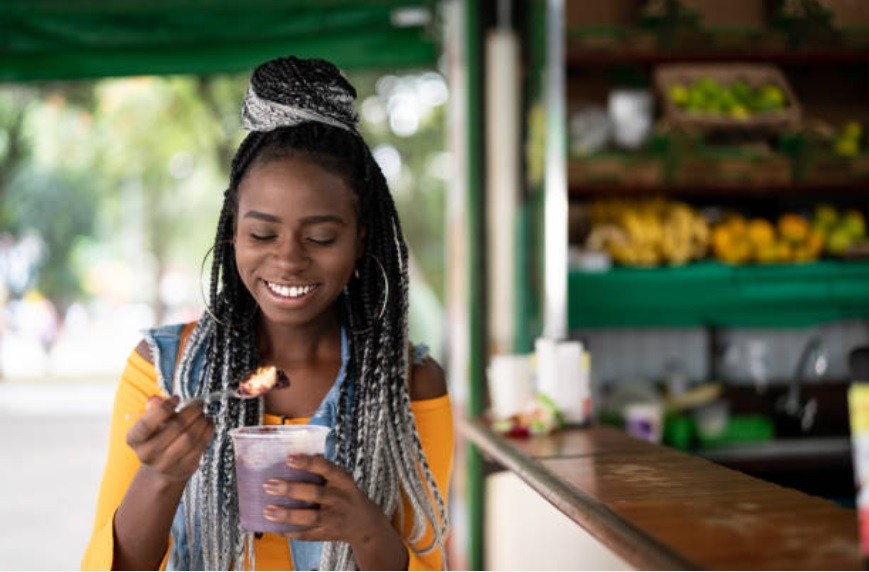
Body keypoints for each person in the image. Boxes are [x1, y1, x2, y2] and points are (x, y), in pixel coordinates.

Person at [82, 56, 452, 571]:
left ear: (360, 237)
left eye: (321, 237)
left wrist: (368, 533)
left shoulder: (408, 384)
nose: (289, 259)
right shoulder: (163, 371)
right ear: (233, 229)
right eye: (261, 234)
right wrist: (161, 477)